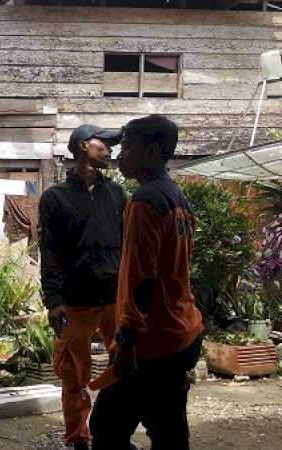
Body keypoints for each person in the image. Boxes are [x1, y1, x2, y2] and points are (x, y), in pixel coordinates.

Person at [90, 115, 204, 450]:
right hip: (182, 332)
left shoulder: (144, 201)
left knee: (107, 430)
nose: (119, 156)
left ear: (151, 151)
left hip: (151, 342)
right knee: (168, 430)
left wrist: (126, 341)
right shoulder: (177, 198)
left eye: (126, 147)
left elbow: (144, 278)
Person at [39, 124, 127, 450]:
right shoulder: (55, 198)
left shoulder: (116, 194)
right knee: (73, 373)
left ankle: (114, 432)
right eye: (102, 144)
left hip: (115, 298)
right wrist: (53, 299)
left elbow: (128, 243)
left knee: (124, 366)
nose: (109, 150)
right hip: (75, 302)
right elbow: (48, 250)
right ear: (82, 146)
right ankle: (78, 438)